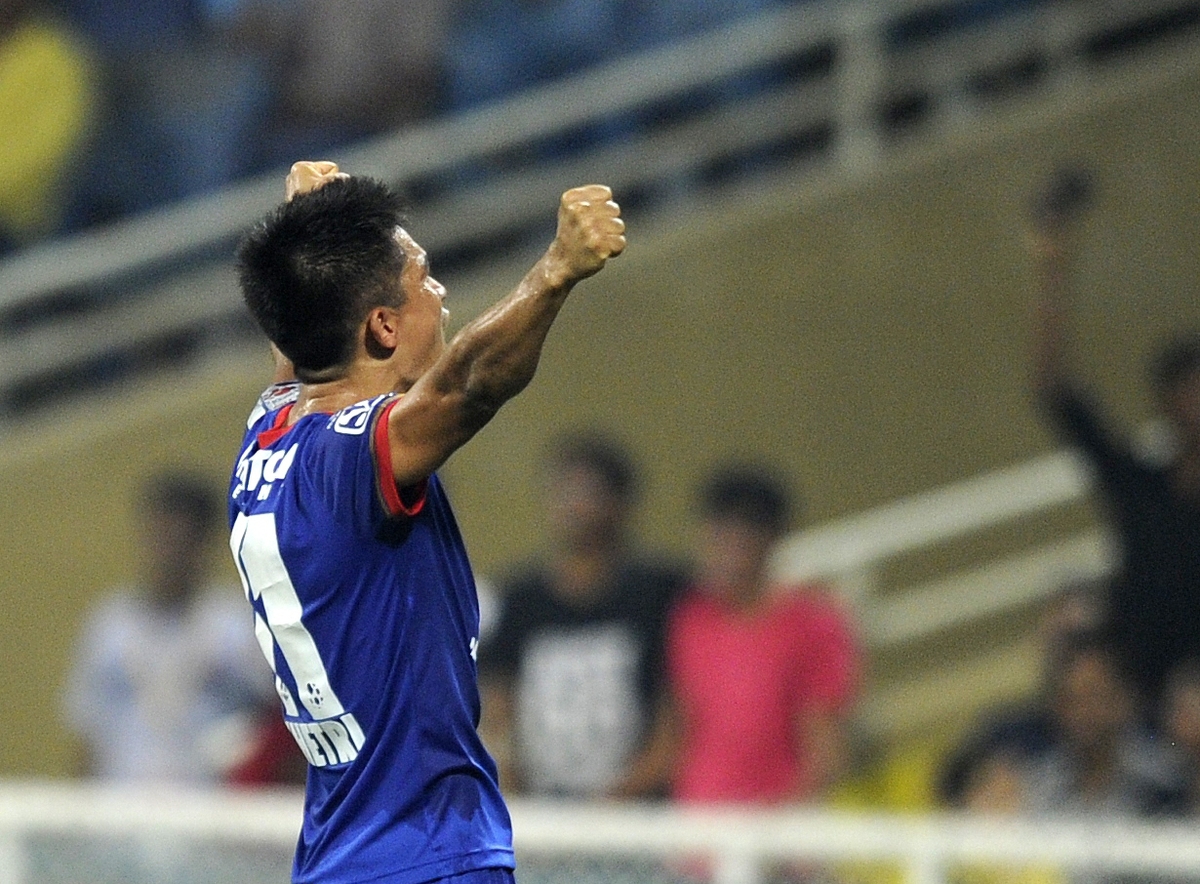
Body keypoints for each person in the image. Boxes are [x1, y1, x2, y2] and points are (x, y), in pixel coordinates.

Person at [229, 160, 624, 883]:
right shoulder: (354, 461)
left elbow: (302, 336)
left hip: (335, 857)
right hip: (428, 853)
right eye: (426, 279)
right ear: (382, 325)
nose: (442, 299)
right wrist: (557, 269)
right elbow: (467, 386)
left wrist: (309, 235)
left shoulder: (268, 434)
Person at [1029, 167, 1200, 714]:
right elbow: (1055, 390)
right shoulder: (1140, 489)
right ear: (1166, 405)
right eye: (1185, 391)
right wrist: (1052, 259)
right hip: (1147, 700)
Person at [478, 430, 685, 798]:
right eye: (563, 493)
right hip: (544, 816)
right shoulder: (520, 599)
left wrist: (624, 794)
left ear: (620, 503)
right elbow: (499, 707)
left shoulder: (657, 594)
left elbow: (677, 707)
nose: (575, 507)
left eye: (589, 493)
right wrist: (512, 784)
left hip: (635, 815)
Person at [665, 463, 861, 805]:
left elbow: (826, 749)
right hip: (700, 831)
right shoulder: (690, 619)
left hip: (780, 834)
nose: (729, 550)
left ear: (772, 540)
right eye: (719, 534)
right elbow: (680, 730)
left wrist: (778, 828)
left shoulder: (811, 623)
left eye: (743, 537)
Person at [64, 470, 275, 783]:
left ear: (204, 545)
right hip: (119, 811)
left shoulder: (235, 627)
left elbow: (274, 723)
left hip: (210, 816)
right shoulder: (109, 625)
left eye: (183, 542)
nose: (171, 554)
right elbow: (87, 735)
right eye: (162, 539)